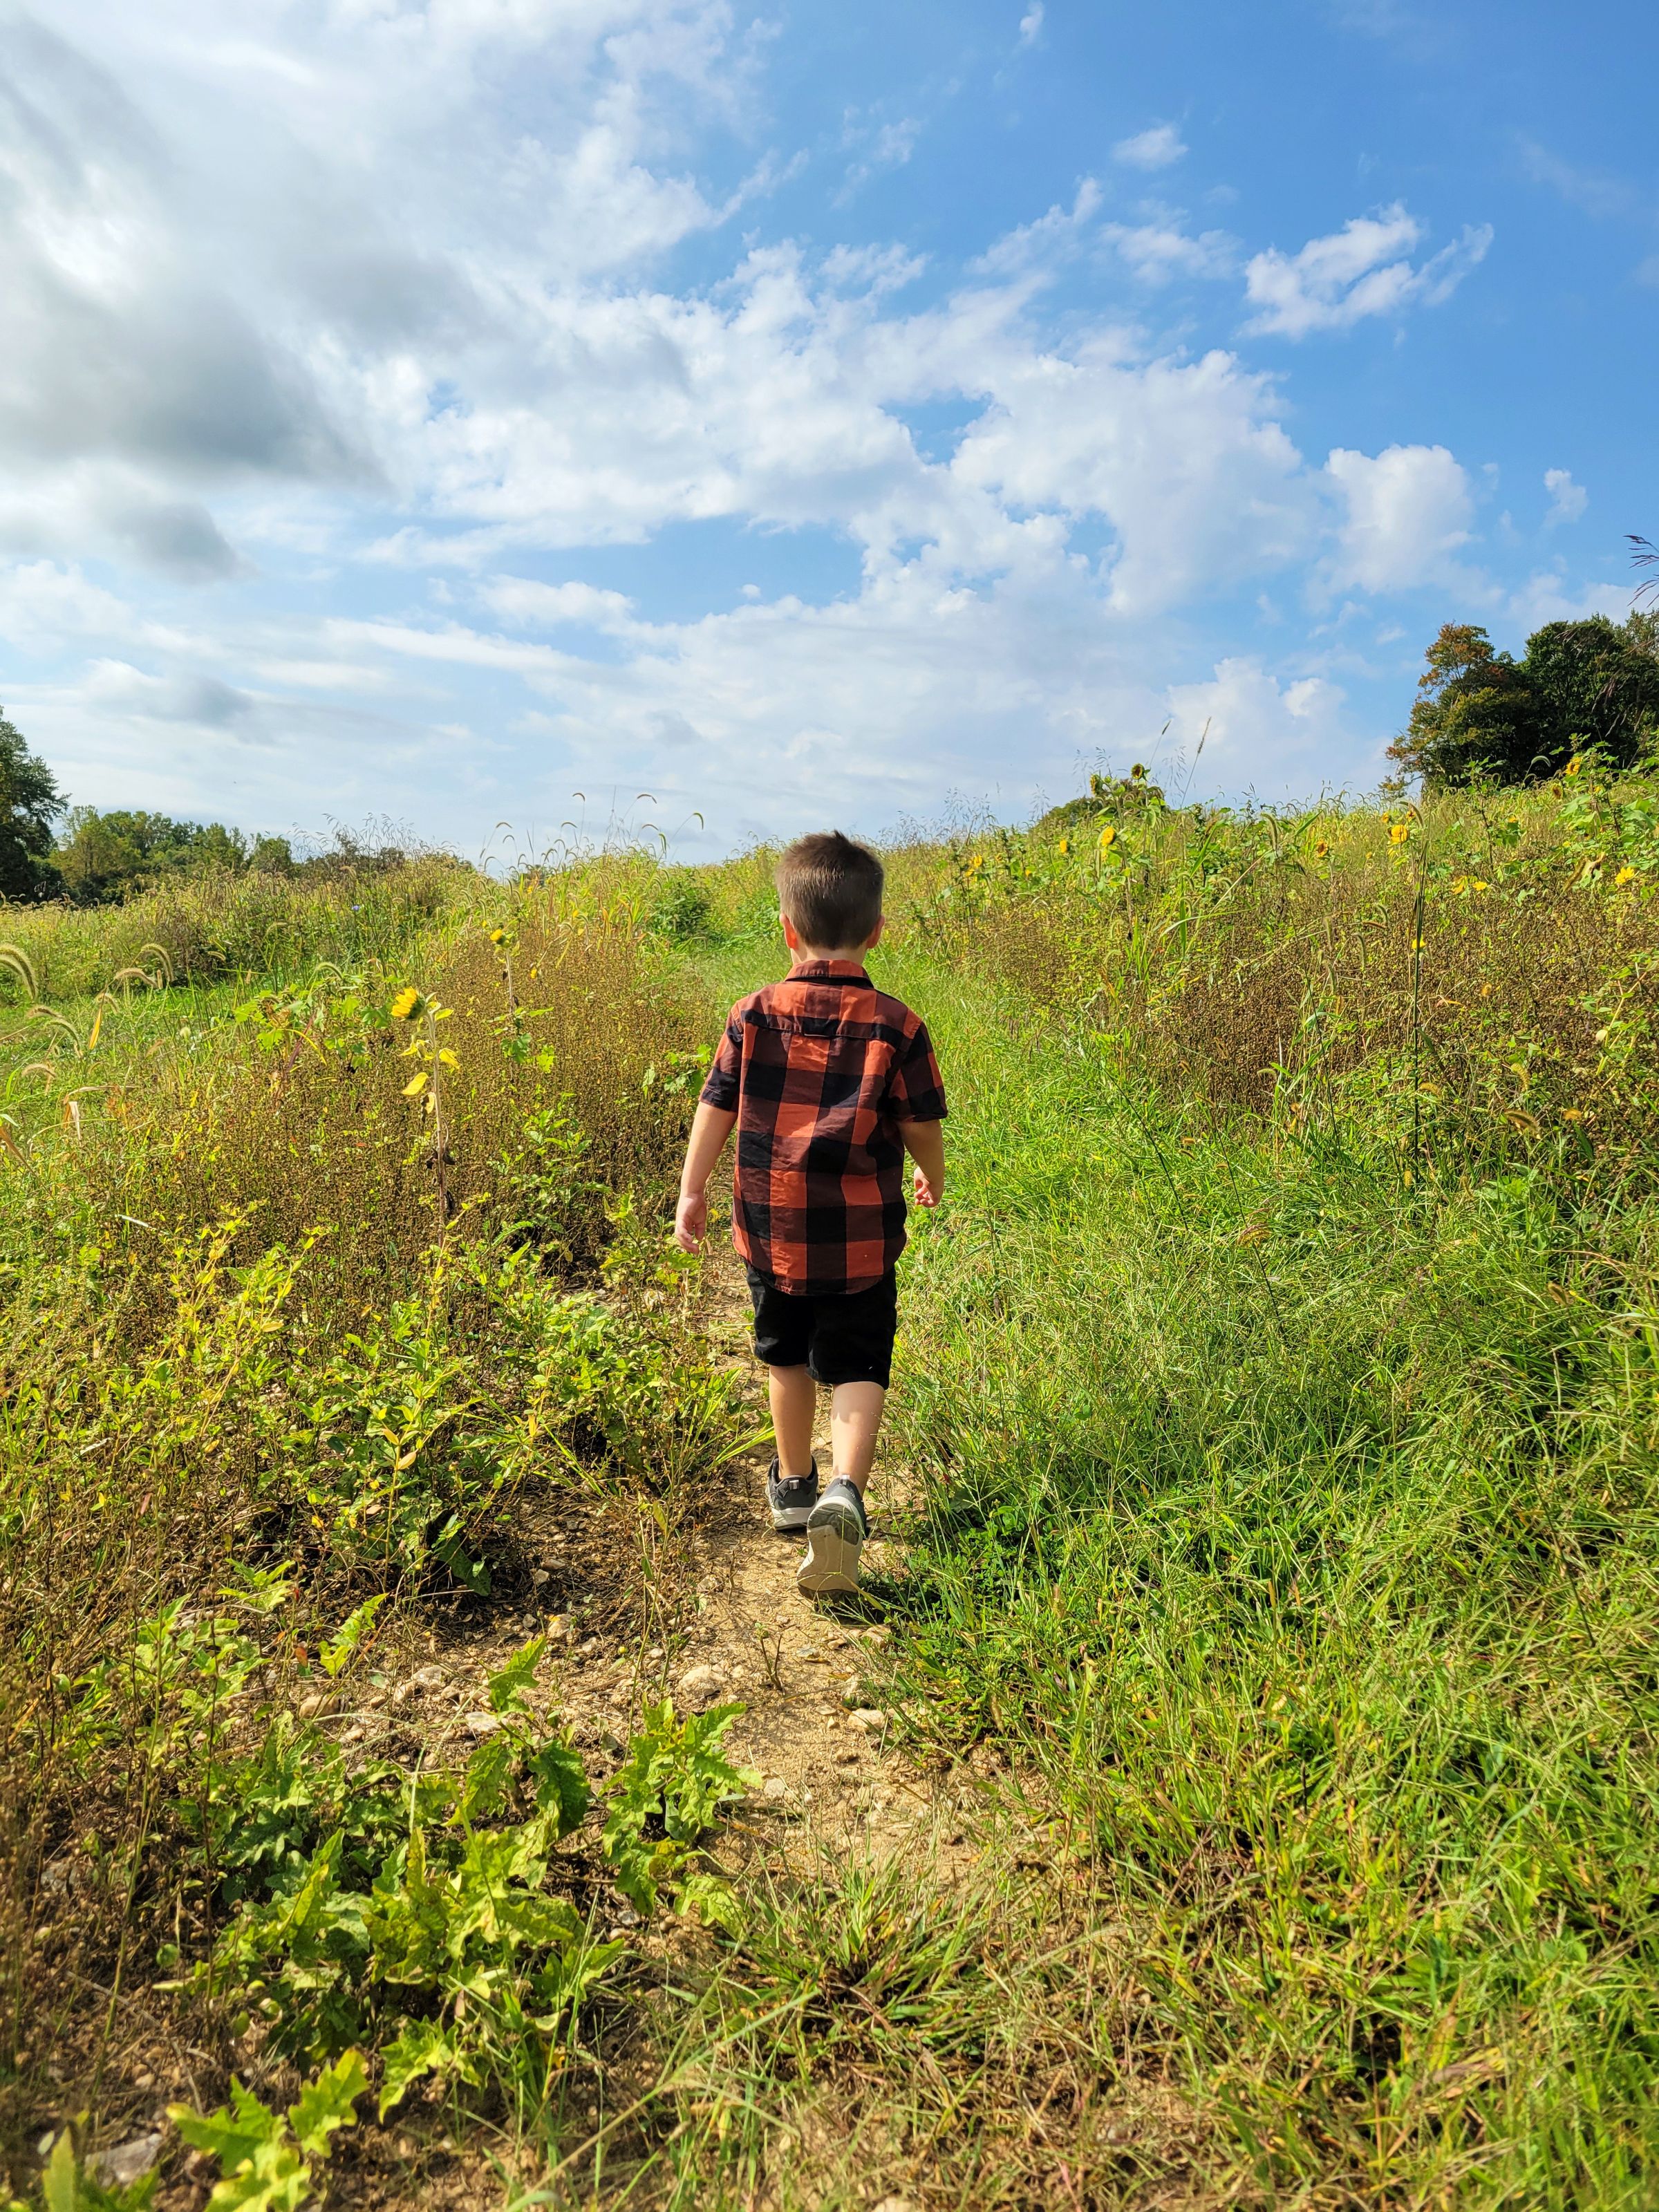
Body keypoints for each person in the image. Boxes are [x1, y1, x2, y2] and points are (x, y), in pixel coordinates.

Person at [674, 831, 948, 1595]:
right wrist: (932, 1174)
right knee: (859, 1364)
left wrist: (692, 1190)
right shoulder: (899, 1025)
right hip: (860, 1238)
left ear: (787, 930)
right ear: (877, 931)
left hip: (772, 1232)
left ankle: (795, 1485)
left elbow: (715, 1107)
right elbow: (922, 1123)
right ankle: (845, 1491)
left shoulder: (752, 1015)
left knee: (785, 1357)